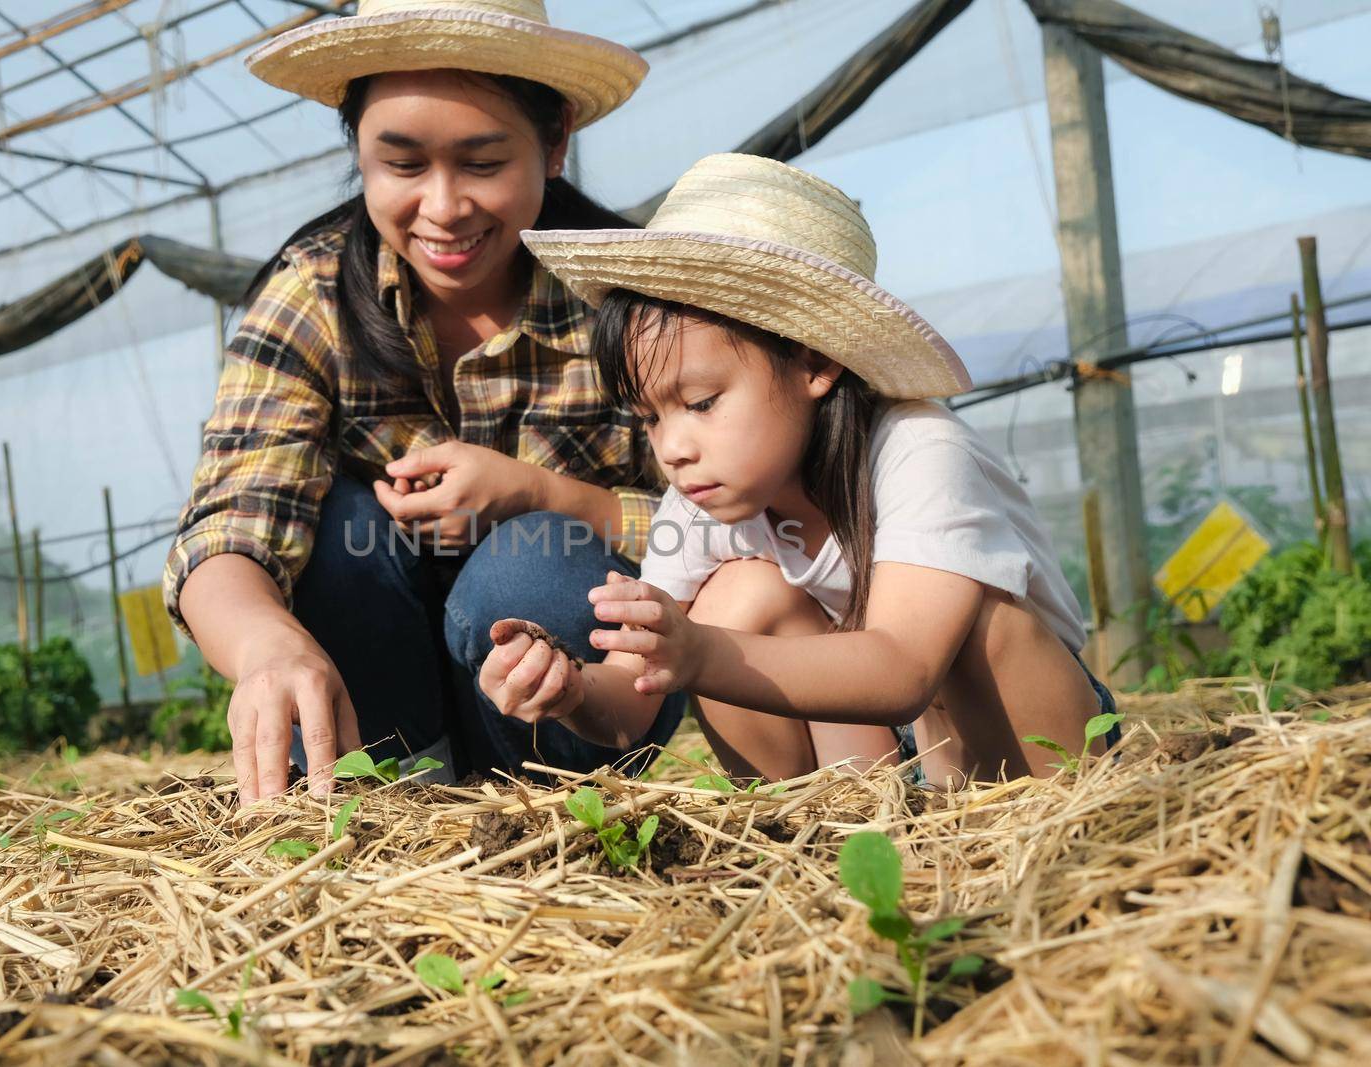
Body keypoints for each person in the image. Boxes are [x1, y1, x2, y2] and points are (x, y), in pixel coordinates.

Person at [165, 0, 687, 806]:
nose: (442, 209)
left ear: (555, 143)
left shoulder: (627, 308)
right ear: (359, 152)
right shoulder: (313, 294)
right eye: (402, 165)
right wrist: (267, 644)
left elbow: (729, 534)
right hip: (380, 708)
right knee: (340, 528)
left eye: (482, 163)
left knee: (537, 557)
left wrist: (544, 496)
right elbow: (230, 522)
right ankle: (399, 789)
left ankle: (545, 802)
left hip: (581, 713)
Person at [480, 153, 1122, 790]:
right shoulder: (700, 501)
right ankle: (831, 837)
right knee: (738, 597)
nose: (673, 447)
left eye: (702, 404)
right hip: (889, 756)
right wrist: (570, 685)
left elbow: (903, 671)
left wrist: (698, 652)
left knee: (982, 623)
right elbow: (630, 700)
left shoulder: (918, 450)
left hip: (1030, 749)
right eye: (650, 417)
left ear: (814, 363)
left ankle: (980, 827)